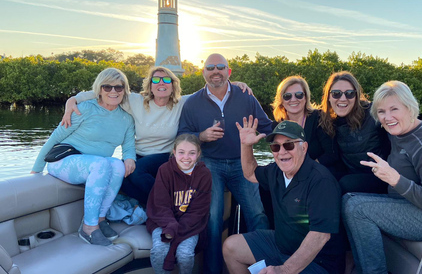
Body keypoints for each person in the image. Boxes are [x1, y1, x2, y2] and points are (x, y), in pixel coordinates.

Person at [62, 66, 251, 206]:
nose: (162, 83)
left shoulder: (182, 103)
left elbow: (208, 90)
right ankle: (166, 204)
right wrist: (74, 99)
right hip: (139, 155)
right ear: (150, 86)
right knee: (121, 178)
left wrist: (232, 84)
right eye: (156, 80)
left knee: (137, 172)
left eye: (167, 80)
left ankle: (165, 205)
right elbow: (105, 92)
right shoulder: (135, 101)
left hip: (166, 156)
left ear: (173, 86)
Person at [342, 81, 422, 274]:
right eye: (382, 111)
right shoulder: (399, 130)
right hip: (414, 206)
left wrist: (395, 179)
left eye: (394, 109)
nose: (387, 117)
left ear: (410, 108)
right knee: (349, 198)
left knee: (356, 208)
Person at [178, 53, 272, 274]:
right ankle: (212, 271)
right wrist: (201, 136)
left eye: (221, 67)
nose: (215, 71)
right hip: (210, 164)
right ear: (203, 72)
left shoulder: (246, 96)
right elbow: (182, 136)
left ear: (229, 71)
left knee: (258, 214)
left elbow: (268, 127)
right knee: (212, 219)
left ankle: (265, 268)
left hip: (243, 162)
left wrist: (258, 140)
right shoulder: (192, 102)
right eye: (210, 67)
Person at [318, 71, 422, 194]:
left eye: (349, 93)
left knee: (345, 183)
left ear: (356, 95)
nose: (343, 98)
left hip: (382, 176)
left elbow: (415, 127)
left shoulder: (372, 113)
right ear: (329, 97)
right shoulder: (324, 120)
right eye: (336, 94)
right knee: (328, 180)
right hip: (352, 174)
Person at [223, 118, 343, 274]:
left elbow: (319, 236)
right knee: (231, 247)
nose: (282, 152)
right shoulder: (276, 171)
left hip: (318, 261)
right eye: (275, 147)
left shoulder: (321, 181)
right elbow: (251, 173)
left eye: (289, 144)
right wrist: (246, 145)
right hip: (281, 245)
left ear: (304, 147)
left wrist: (284, 270)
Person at [31, 68, 136, 246]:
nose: (113, 92)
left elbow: (128, 145)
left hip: (94, 165)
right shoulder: (84, 109)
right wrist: (36, 169)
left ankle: (100, 219)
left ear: (124, 90)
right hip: (63, 160)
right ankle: (88, 228)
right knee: (102, 165)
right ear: (99, 89)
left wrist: (129, 158)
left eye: (118, 88)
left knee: (117, 166)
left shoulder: (126, 118)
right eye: (107, 87)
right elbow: (56, 137)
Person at [146, 134, 212, 274]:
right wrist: (170, 227)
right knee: (159, 250)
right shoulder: (164, 170)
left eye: (192, 153)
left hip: (190, 225)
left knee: (185, 254)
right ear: (174, 152)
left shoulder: (204, 174)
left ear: (198, 154)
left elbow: (199, 211)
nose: (186, 157)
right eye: (181, 152)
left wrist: (177, 229)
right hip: (162, 222)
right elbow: (160, 205)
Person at [271, 75, 339, 171]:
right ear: (281, 100)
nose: (293, 99)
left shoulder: (319, 118)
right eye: (287, 96)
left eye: (299, 95)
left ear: (306, 97)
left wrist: (305, 170)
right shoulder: (277, 126)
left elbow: (332, 154)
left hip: (321, 172)